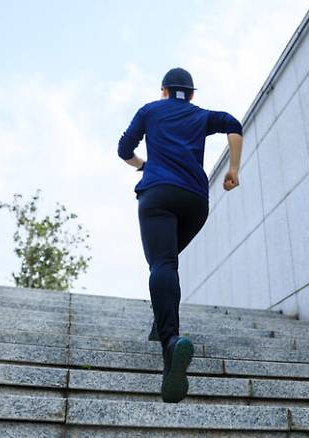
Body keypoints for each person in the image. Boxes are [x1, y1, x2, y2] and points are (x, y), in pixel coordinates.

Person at [117, 67, 243, 403]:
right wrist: (233, 169)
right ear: (191, 94)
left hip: (158, 194)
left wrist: (142, 165)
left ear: (163, 90)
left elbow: (123, 149)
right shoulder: (200, 115)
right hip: (195, 201)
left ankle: (170, 342)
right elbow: (233, 124)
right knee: (168, 262)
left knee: (162, 263)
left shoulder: (150, 110)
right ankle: (161, 324)